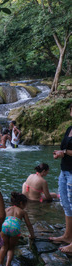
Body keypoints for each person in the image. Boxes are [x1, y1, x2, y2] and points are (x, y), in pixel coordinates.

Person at [50, 103, 72, 253]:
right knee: (66, 205)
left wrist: (65, 152)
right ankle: (67, 235)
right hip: (64, 171)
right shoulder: (70, 129)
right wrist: (60, 152)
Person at [0, 192, 34, 266]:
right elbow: (29, 225)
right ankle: (8, 265)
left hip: (5, 227)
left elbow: (0, 219)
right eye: (25, 204)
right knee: (11, 248)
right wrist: (32, 235)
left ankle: (0, 264)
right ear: (21, 203)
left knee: (3, 247)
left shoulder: (7, 209)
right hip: (15, 229)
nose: (25, 206)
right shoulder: (22, 212)